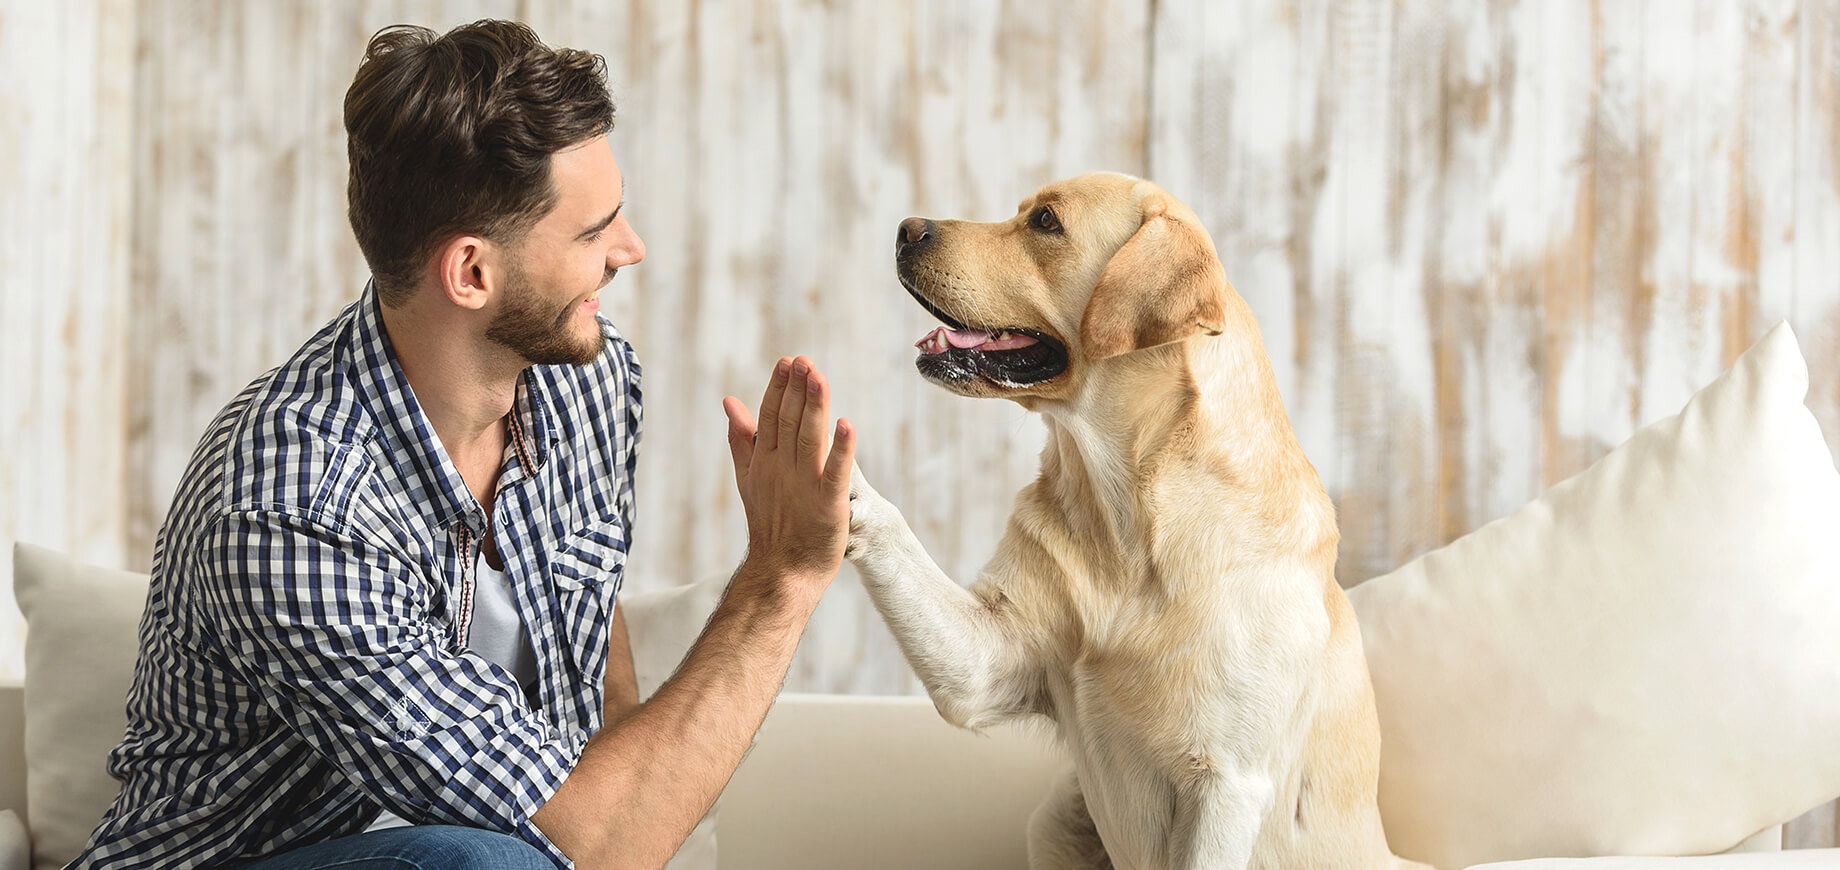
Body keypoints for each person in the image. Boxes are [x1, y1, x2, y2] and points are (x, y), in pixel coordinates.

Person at [73, 19, 855, 869]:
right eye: (594, 232)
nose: (631, 251)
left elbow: (598, 668)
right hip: (245, 858)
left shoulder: (588, 379)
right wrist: (781, 579)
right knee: (480, 864)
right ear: (473, 273)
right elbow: (591, 841)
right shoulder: (291, 505)